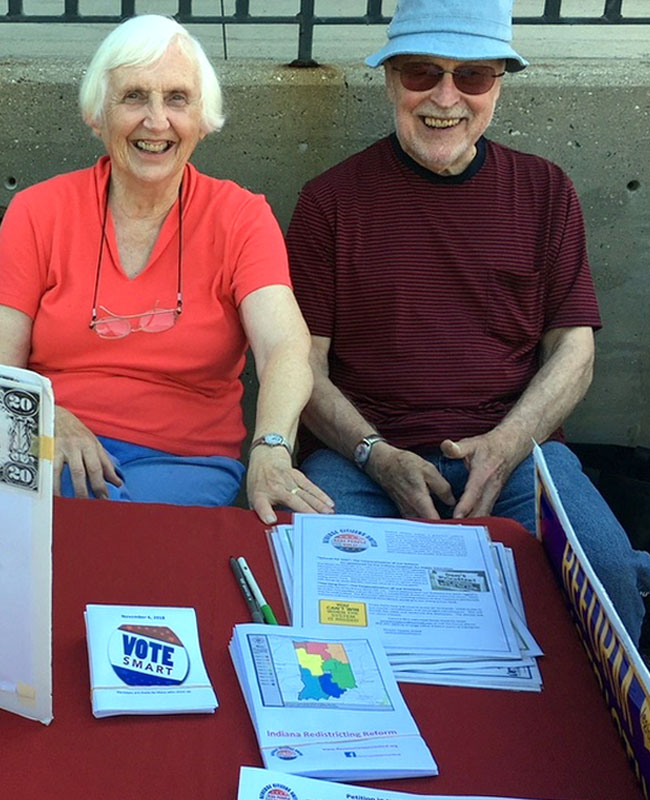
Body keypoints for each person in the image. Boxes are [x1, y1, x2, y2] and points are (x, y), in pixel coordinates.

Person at [286, 0, 650, 644]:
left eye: (473, 76)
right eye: (423, 72)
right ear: (391, 78)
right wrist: (378, 456)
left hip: (517, 454)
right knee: (310, 589)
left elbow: (574, 350)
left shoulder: (546, 191)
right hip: (364, 458)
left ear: (499, 85)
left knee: (609, 576)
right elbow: (300, 366)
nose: (446, 98)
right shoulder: (329, 201)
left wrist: (510, 444)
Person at [0, 15, 333, 524]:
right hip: (52, 448)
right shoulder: (36, 212)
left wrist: (271, 446)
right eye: (134, 96)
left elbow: (285, 345)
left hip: (184, 463)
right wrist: (46, 419)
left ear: (203, 118)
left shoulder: (240, 217)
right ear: (97, 114)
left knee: (127, 544)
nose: (157, 121)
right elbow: (3, 361)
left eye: (177, 98)